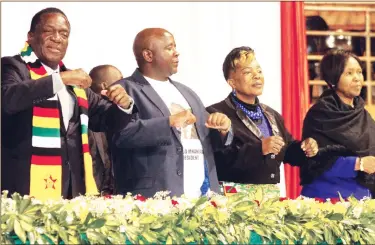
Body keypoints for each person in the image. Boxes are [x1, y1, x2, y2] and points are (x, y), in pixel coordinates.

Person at [1, 8, 133, 200]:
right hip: (24, 189)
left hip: (72, 190)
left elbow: (106, 119)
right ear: (30, 36)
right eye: (49, 31)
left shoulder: (76, 83)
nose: (57, 38)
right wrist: (59, 79)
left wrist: (124, 105)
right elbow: (8, 99)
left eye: (64, 34)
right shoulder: (12, 67)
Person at [113, 28, 232, 198]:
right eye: (169, 48)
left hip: (202, 197)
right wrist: (168, 123)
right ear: (148, 55)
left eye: (175, 47)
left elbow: (209, 137)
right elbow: (121, 135)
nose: (176, 53)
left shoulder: (187, 92)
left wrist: (223, 129)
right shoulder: (125, 89)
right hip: (156, 199)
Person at [206, 46, 318, 198]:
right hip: (233, 206)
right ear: (232, 82)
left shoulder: (272, 115)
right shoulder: (217, 113)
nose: (256, 76)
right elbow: (221, 160)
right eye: (247, 72)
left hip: (269, 203)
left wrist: (304, 148)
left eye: (259, 71)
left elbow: (288, 151)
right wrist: (260, 149)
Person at [300, 49, 375, 199]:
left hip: (364, 203)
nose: (357, 78)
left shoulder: (363, 115)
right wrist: (358, 164)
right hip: (327, 202)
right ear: (333, 78)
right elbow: (314, 162)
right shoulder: (320, 114)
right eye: (349, 73)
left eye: (359, 72)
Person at [89, 65, 124, 196]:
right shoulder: (81, 115)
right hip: (87, 197)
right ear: (104, 86)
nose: (124, 85)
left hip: (115, 195)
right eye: (120, 80)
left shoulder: (121, 114)